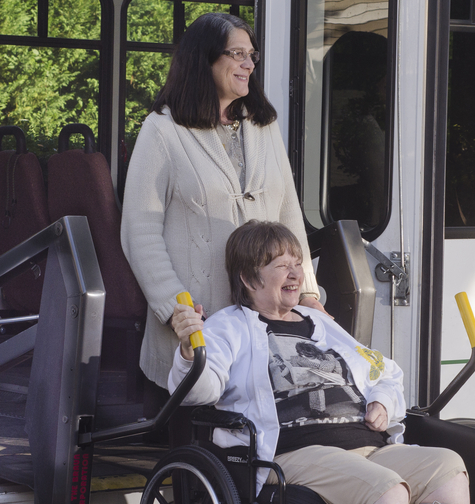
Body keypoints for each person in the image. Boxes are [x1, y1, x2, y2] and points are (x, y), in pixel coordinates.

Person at [169, 221, 473, 504]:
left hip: (368, 445)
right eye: (281, 265)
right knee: (387, 491)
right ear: (248, 277)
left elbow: (384, 371)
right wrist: (192, 351)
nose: (295, 273)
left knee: (449, 467)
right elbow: (200, 391)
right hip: (297, 453)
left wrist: (383, 400)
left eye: (298, 263)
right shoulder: (230, 326)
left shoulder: (321, 323)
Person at [120, 12, 328, 413]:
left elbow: (289, 217)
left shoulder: (263, 125)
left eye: (252, 55)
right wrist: (174, 310)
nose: (249, 64)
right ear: (205, 60)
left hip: (267, 323)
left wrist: (306, 293)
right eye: (238, 54)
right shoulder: (162, 130)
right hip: (199, 327)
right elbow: (139, 232)